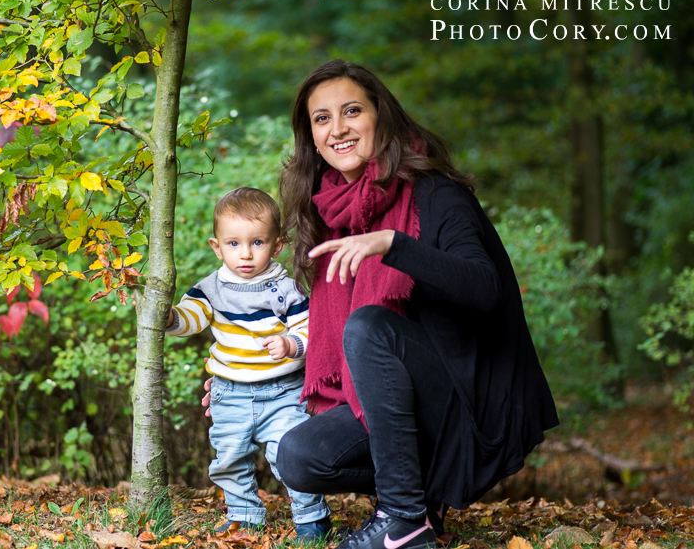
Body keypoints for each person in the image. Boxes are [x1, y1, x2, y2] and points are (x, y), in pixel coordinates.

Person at [262, 59, 560, 549]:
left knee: (369, 327)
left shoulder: (435, 194)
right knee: (299, 455)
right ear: (310, 136)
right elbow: (310, 328)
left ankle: (403, 520)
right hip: (399, 407)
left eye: (352, 111)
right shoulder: (328, 212)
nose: (338, 129)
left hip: (466, 402)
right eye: (321, 118)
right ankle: (419, 506)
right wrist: (238, 374)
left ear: (381, 115)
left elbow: (486, 289)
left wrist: (394, 245)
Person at [166, 187, 332, 540]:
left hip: (282, 391)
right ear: (217, 246)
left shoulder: (286, 288)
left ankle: (311, 517)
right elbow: (190, 319)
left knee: (288, 454)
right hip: (230, 393)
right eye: (233, 244)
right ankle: (244, 514)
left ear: (277, 245)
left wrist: (291, 343)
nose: (245, 254)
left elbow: (309, 328)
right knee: (230, 457)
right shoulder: (210, 289)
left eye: (257, 243)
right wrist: (168, 318)